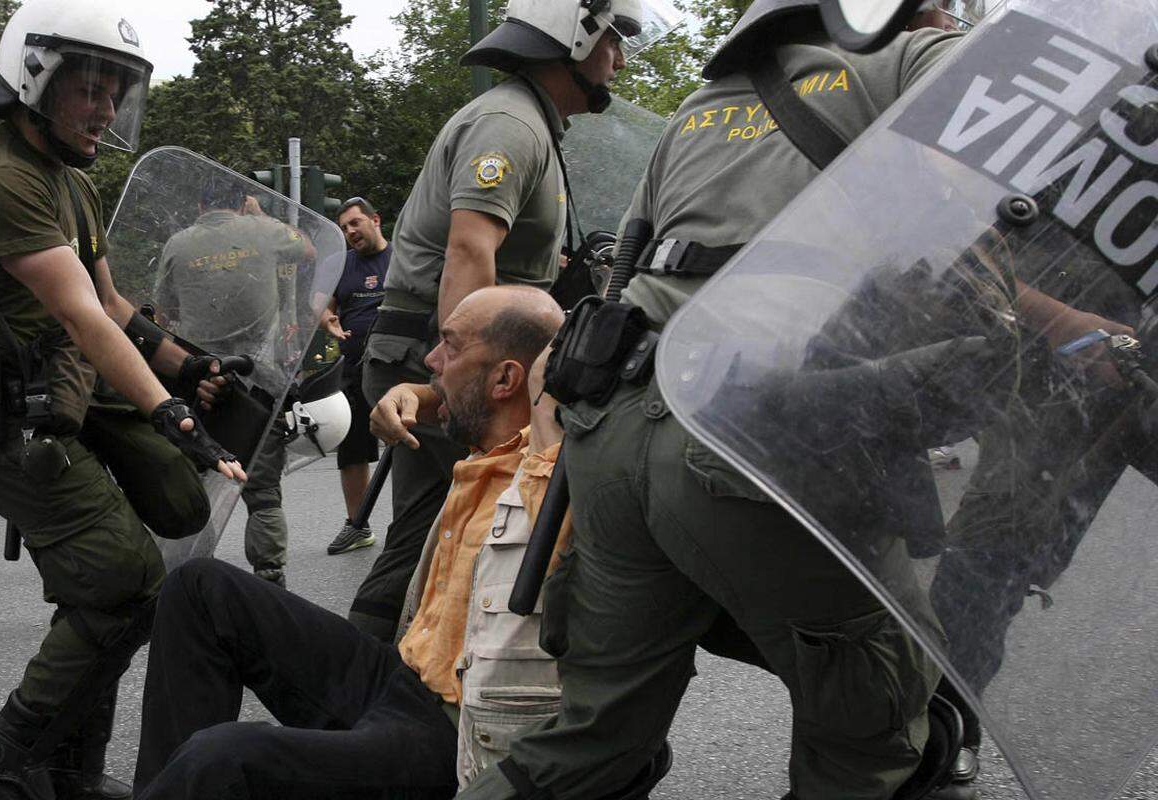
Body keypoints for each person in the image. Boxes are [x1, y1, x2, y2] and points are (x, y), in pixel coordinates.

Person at [456, 4, 966, 800]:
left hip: (618, 432)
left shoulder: (702, 104)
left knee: (591, 738)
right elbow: (1021, 177)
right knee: (876, 723)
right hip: (754, 427)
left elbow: (624, 273)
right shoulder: (911, 59)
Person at [0, 4, 246, 800]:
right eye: (89, 88)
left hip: (63, 391)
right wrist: (163, 409)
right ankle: (4, 752)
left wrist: (186, 368)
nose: (106, 110)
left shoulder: (72, 181)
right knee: (125, 582)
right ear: (33, 82)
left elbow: (112, 303)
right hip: (0, 418)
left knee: (167, 521)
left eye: (116, 92)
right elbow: (76, 313)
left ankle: (66, 769)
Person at [131, 285, 567, 800]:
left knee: (224, 759)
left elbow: (566, 435)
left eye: (449, 346)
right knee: (199, 589)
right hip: (401, 678)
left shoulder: (562, 478)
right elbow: (476, 395)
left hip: (450, 732)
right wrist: (420, 394)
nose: (429, 360)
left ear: (507, 379)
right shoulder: (487, 441)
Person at [350, 0, 674, 641]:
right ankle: (357, 690)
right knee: (434, 528)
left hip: (443, 344)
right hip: (438, 345)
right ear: (574, 42)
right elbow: (470, 251)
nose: (621, 58)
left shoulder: (532, 125)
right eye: (612, 40)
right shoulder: (511, 126)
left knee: (440, 528)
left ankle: (391, 687)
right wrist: (457, 380)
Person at [153, 177, 311, 588]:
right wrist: (260, 216)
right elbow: (308, 248)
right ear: (242, 203)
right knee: (261, 490)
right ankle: (269, 573)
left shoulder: (178, 243)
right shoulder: (264, 230)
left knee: (190, 483)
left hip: (198, 382)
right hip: (260, 383)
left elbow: (163, 312)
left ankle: (179, 572)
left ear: (201, 206)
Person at [319, 196, 390, 555]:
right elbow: (322, 306)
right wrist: (328, 320)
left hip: (398, 367)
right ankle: (357, 524)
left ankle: (425, 522)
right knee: (351, 447)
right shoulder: (339, 265)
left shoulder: (402, 257)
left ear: (375, 220)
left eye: (355, 223)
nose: (350, 231)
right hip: (353, 367)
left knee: (415, 444)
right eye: (345, 227)